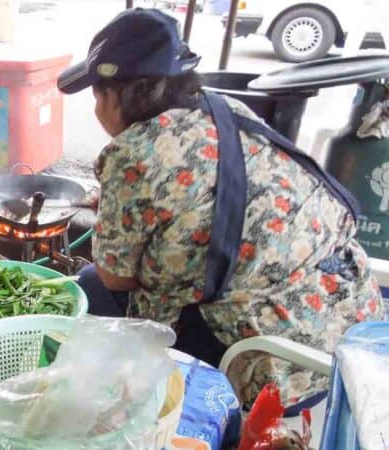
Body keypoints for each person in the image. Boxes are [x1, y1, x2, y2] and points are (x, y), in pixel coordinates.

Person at [60, 8, 385, 411]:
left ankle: (132, 406)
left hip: (275, 367)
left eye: (96, 94)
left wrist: (118, 204)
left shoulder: (134, 153)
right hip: (351, 333)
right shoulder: (226, 109)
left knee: (89, 287)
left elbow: (115, 276)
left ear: (115, 95)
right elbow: (209, 193)